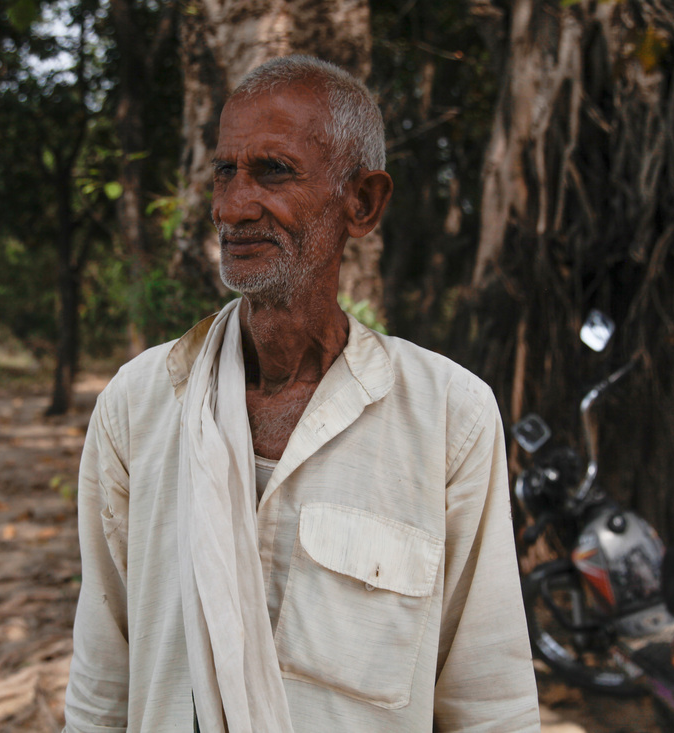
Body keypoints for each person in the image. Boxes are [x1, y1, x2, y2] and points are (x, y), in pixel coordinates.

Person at [63, 54, 540, 733]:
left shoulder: (448, 418)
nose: (232, 205)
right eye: (225, 171)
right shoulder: (141, 404)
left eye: (272, 171)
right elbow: (103, 678)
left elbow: (489, 702)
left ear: (363, 203)